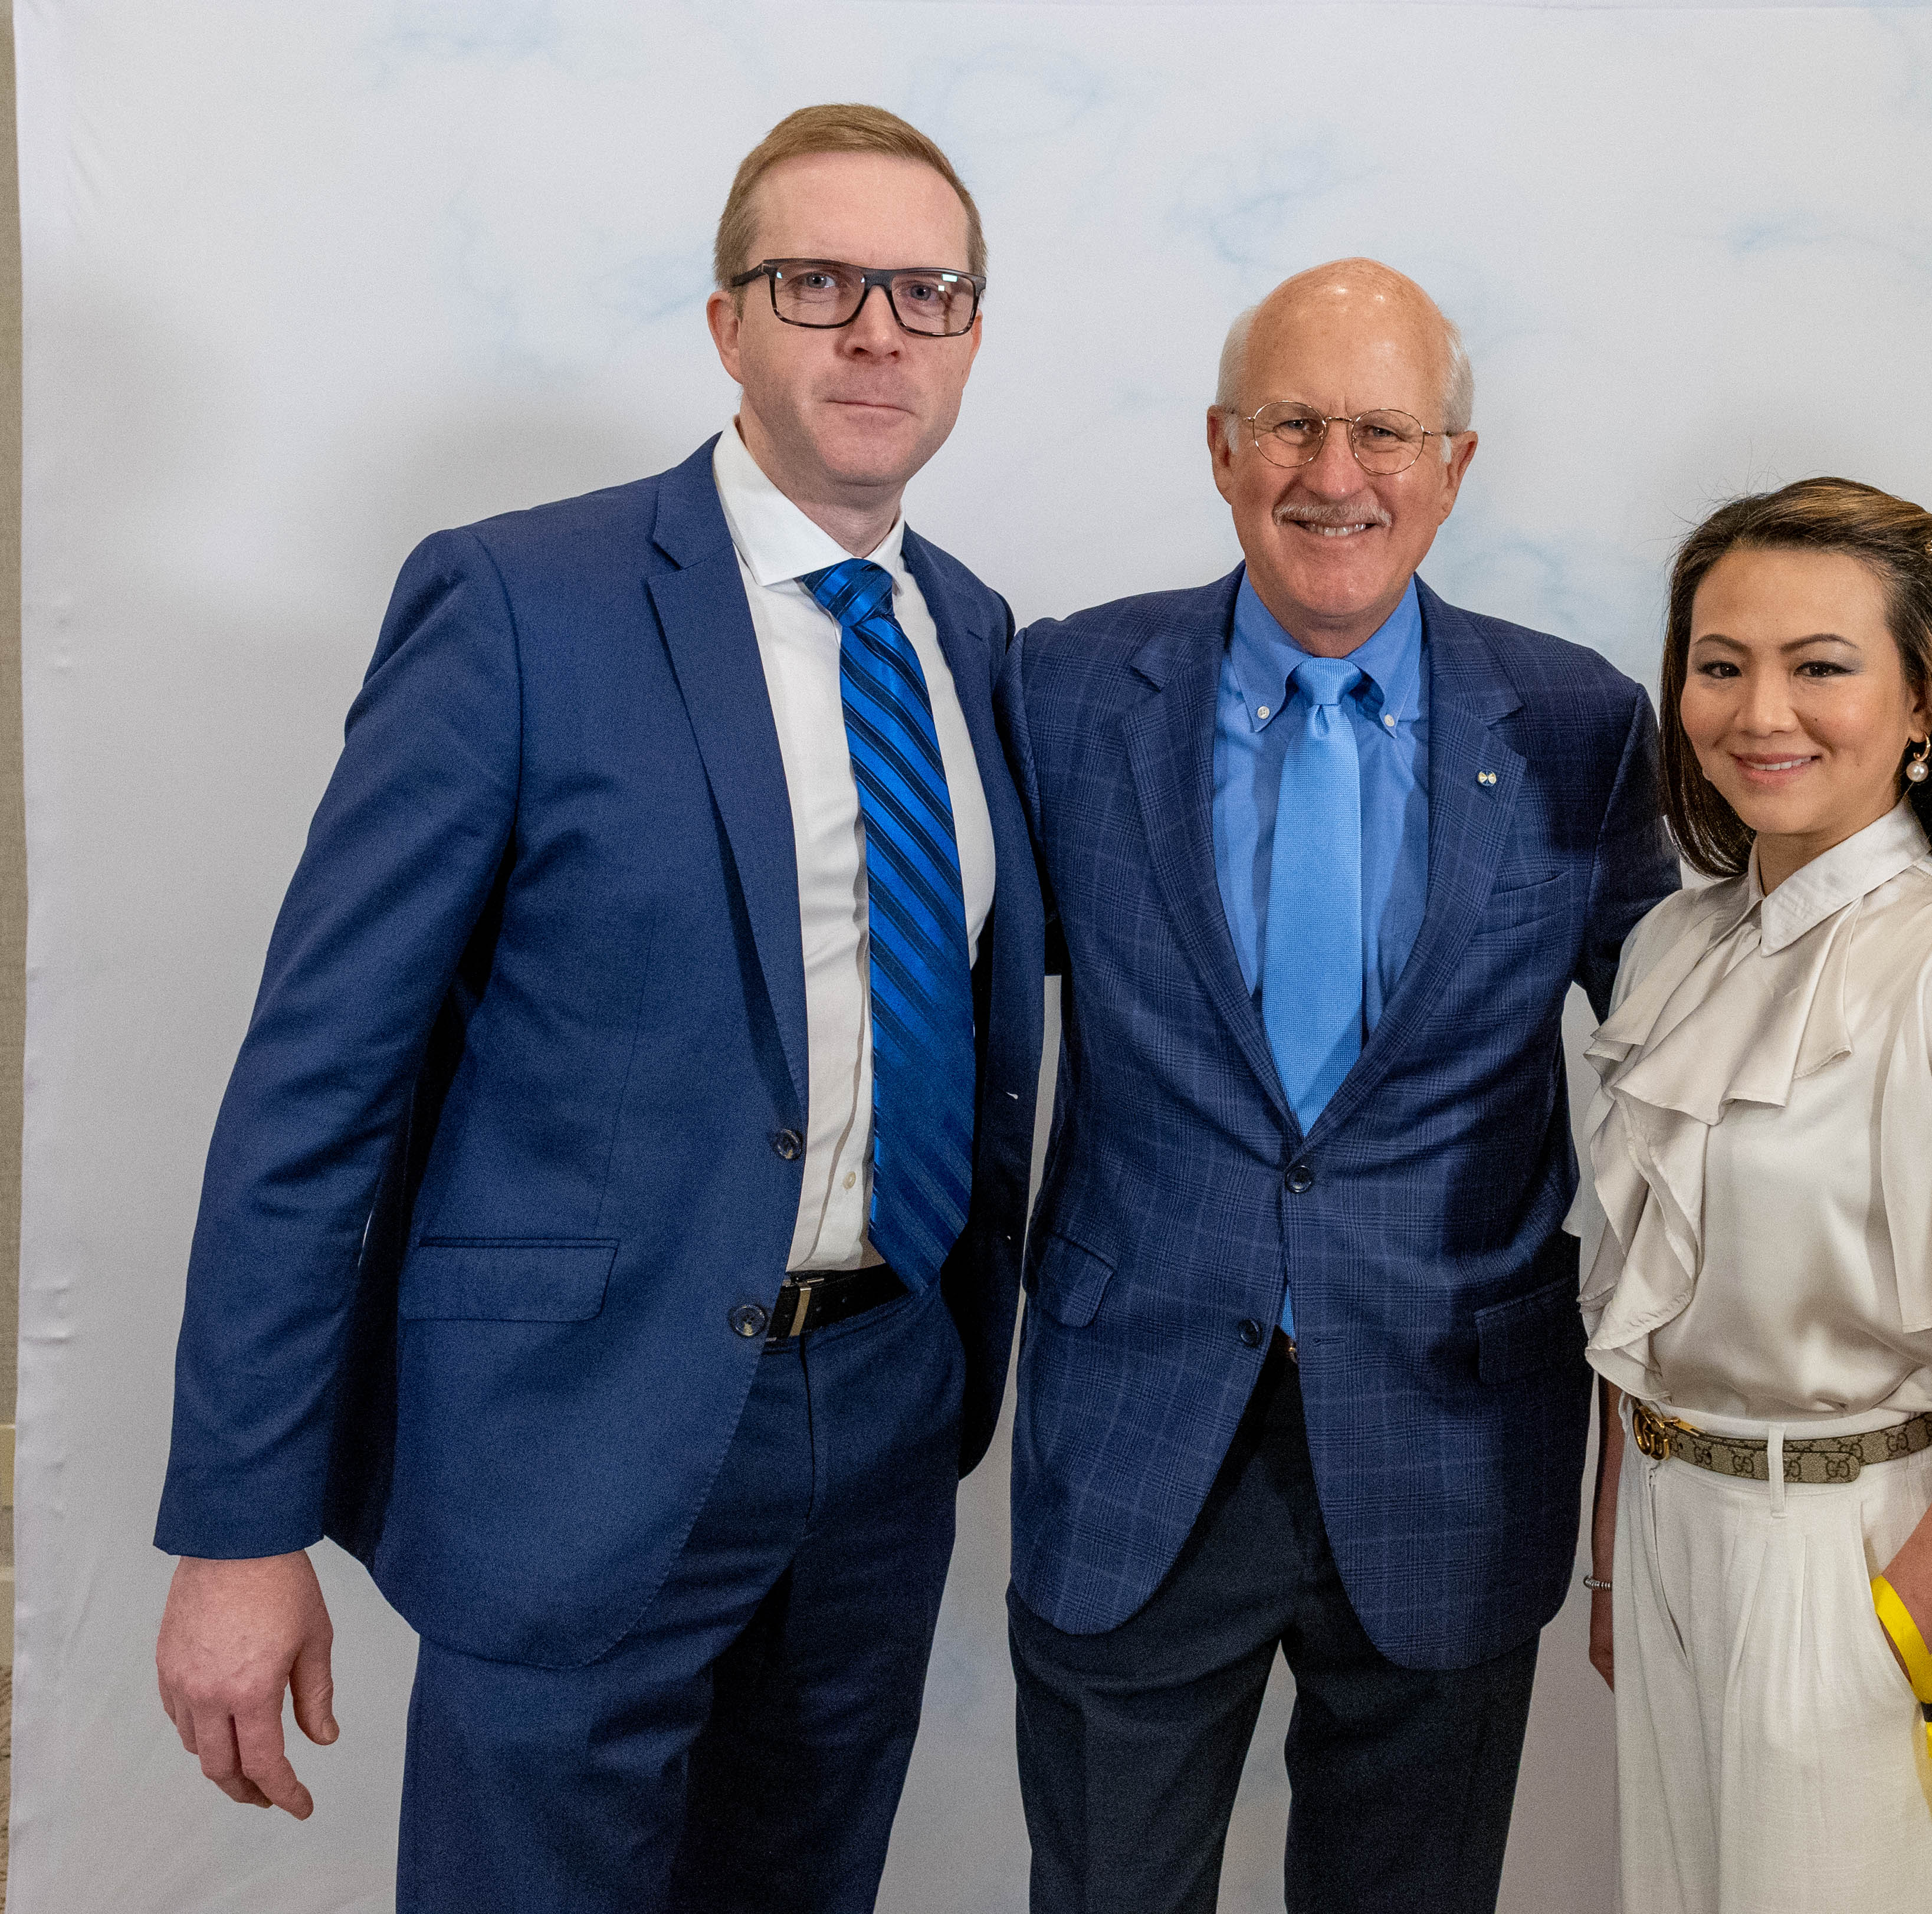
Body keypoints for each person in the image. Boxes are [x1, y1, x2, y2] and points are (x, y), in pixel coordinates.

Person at [148, 104, 1043, 1913]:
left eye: (927, 292)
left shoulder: (973, 633)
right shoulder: (517, 604)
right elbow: (318, 1081)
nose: (879, 330)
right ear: (729, 322)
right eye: (821, 283)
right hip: (574, 1440)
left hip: (881, 1424)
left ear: (969, 334)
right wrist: (239, 1523)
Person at [1002, 257, 1678, 1914]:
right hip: (1137, 1430)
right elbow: (939, 1017)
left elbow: (1691, 1061)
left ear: (1453, 466)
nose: (1335, 472)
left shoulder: (1581, 723)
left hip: (1454, 1440)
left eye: (1384, 431)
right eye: (1293, 423)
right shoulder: (1065, 690)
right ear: (1220, 447)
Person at [1576, 477, 1932, 1913]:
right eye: (1720, 666)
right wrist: (1609, 1568)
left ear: (1921, 701)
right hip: (1664, 1540)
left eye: (1820, 666)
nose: (1758, 712)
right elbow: (1635, 1300)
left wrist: (1895, 1622)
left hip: (1851, 1547)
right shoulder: (1668, 950)